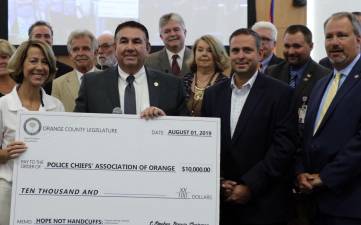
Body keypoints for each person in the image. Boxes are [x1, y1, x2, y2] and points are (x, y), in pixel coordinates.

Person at [202, 28, 297, 225]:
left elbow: (283, 147)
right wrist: (219, 181)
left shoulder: (282, 93)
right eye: (235, 51)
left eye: (247, 50)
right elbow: (206, 144)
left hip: (263, 203)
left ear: (260, 54)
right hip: (221, 203)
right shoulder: (212, 94)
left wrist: (249, 185)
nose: (241, 56)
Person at [296, 12, 361, 225]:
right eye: (329, 37)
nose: (334, 43)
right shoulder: (321, 83)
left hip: (349, 204)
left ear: (358, 40)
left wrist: (325, 178)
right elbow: (307, 136)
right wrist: (301, 173)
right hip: (314, 202)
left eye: (341, 35)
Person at [0, 40, 64, 225]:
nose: (40, 67)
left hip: (46, 190)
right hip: (7, 191)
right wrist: (6, 153)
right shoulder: (3, 105)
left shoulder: (56, 106)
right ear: (21, 64)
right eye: (33, 61)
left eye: (45, 62)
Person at [74, 21, 188, 118]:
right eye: (124, 42)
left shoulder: (172, 85)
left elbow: (184, 130)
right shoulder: (91, 84)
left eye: (136, 42)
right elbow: (78, 126)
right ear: (115, 48)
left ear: (147, 48)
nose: (130, 48)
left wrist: (165, 122)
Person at [267, 25, 330, 136]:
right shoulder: (272, 72)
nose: (291, 51)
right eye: (287, 46)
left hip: (306, 143)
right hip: (276, 141)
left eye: (296, 46)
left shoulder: (324, 76)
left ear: (311, 46)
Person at [52, 30, 98, 112]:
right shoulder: (58, 84)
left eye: (85, 48)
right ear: (70, 55)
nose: (80, 53)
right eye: (75, 49)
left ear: (95, 53)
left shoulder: (110, 79)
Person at [183, 35, 229, 116]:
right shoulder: (184, 80)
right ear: (194, 53)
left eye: (210, 50)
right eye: (200, 50)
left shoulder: (226, 83)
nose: (204, 54)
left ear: (217, 55)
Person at [28, 20, 73, 94]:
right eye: (38, 36)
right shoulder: (21, 69)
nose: (43, 39)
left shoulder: (67, 71)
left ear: (52, 40)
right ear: (29, 40)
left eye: (47, 36)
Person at [145, 12, 191, 77]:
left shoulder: (197, 59)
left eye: (176, 29)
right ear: (161, 37)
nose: (172, 34)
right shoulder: (149, 61)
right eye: (167, 31)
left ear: (185, 32)